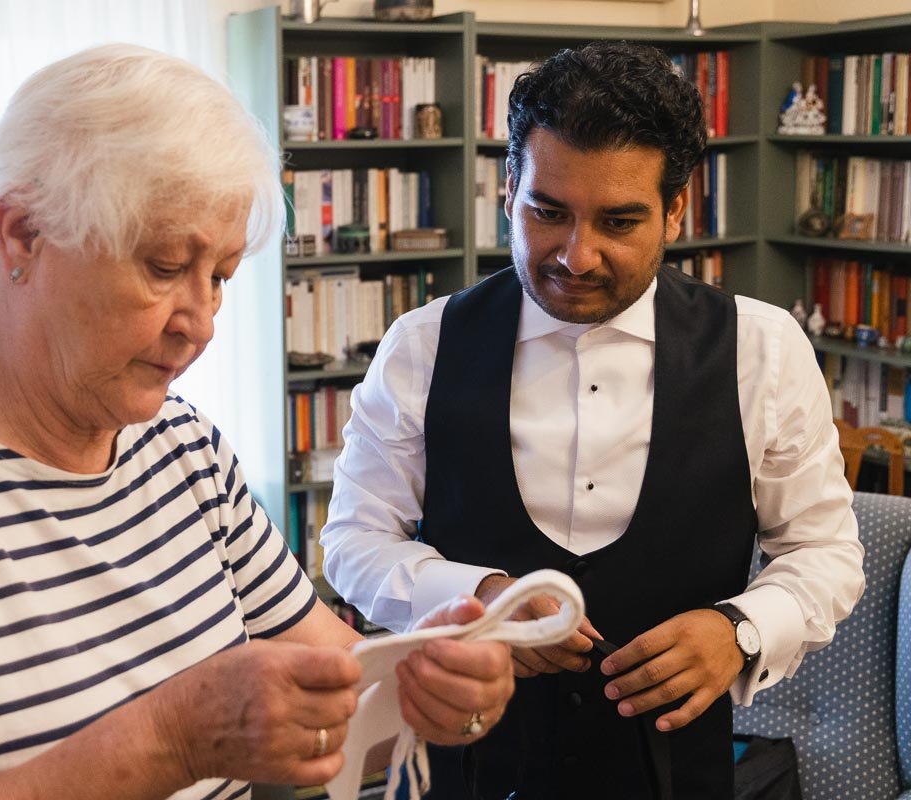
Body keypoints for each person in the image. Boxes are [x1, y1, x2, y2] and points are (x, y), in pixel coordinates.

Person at [0, 44, 516, 800]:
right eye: (165, 267)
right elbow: (181, 736)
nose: (201, 323)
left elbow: (349, 696)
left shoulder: (181, 446)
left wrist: (439, 696)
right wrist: (170, 740)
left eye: (220, 277)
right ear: (23, 234)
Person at [321, 41, 865, 800]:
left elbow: (825, 551)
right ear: (509, 190)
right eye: (548, 212)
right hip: (470, 770)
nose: (577, 256)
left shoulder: (763, 350)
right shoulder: (422, 346)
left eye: (619, 221)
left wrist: (741, 631)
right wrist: (479, 598)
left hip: (678, 778)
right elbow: (352, 540)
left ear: (676, 211)